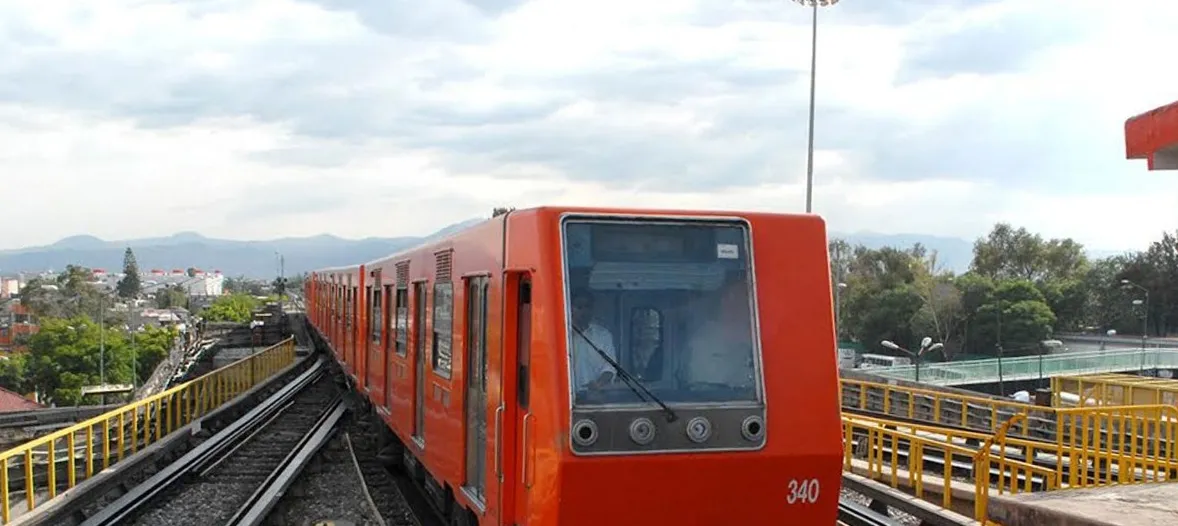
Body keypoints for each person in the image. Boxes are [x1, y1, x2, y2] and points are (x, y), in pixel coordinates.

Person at [569, 292, 618, 391]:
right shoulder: (560, 335)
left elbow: (610, 367)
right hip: (565, 397)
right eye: (579, 307)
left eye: (588, 307)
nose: (584, 311)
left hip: (595, 397)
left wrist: (599, 384)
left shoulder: (603, 335)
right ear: (570, 309)